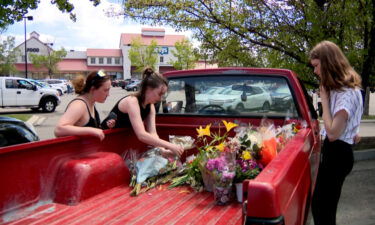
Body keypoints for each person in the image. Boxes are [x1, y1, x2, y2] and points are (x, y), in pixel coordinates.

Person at [309, 40, 363, 225]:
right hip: (340, 153)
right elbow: (350, 123)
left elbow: (332, 134)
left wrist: (323, 99)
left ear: (328, 62)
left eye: (317, 66)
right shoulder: (348, 89)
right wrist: (352, 133)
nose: (315, 72)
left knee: (322, 209)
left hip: (337, 154)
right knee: (325, 208)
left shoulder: (344, 93)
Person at [102, 67, 184, 157]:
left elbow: (153, 133)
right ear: (148, 89)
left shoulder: (150, 106)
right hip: (105, 141)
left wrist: (163, 151)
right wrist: (170, 145)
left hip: (119, 143)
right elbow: (141, 135)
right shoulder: (132, 101)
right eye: (160, 94)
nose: (161, 98)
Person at [54, 70, 113, 141]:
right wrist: (91, 130)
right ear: (93, 89)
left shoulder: (91, 102)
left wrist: (107, 125)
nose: (108, 94)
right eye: (106, 90)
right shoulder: (79, 105)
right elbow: (59, 129)